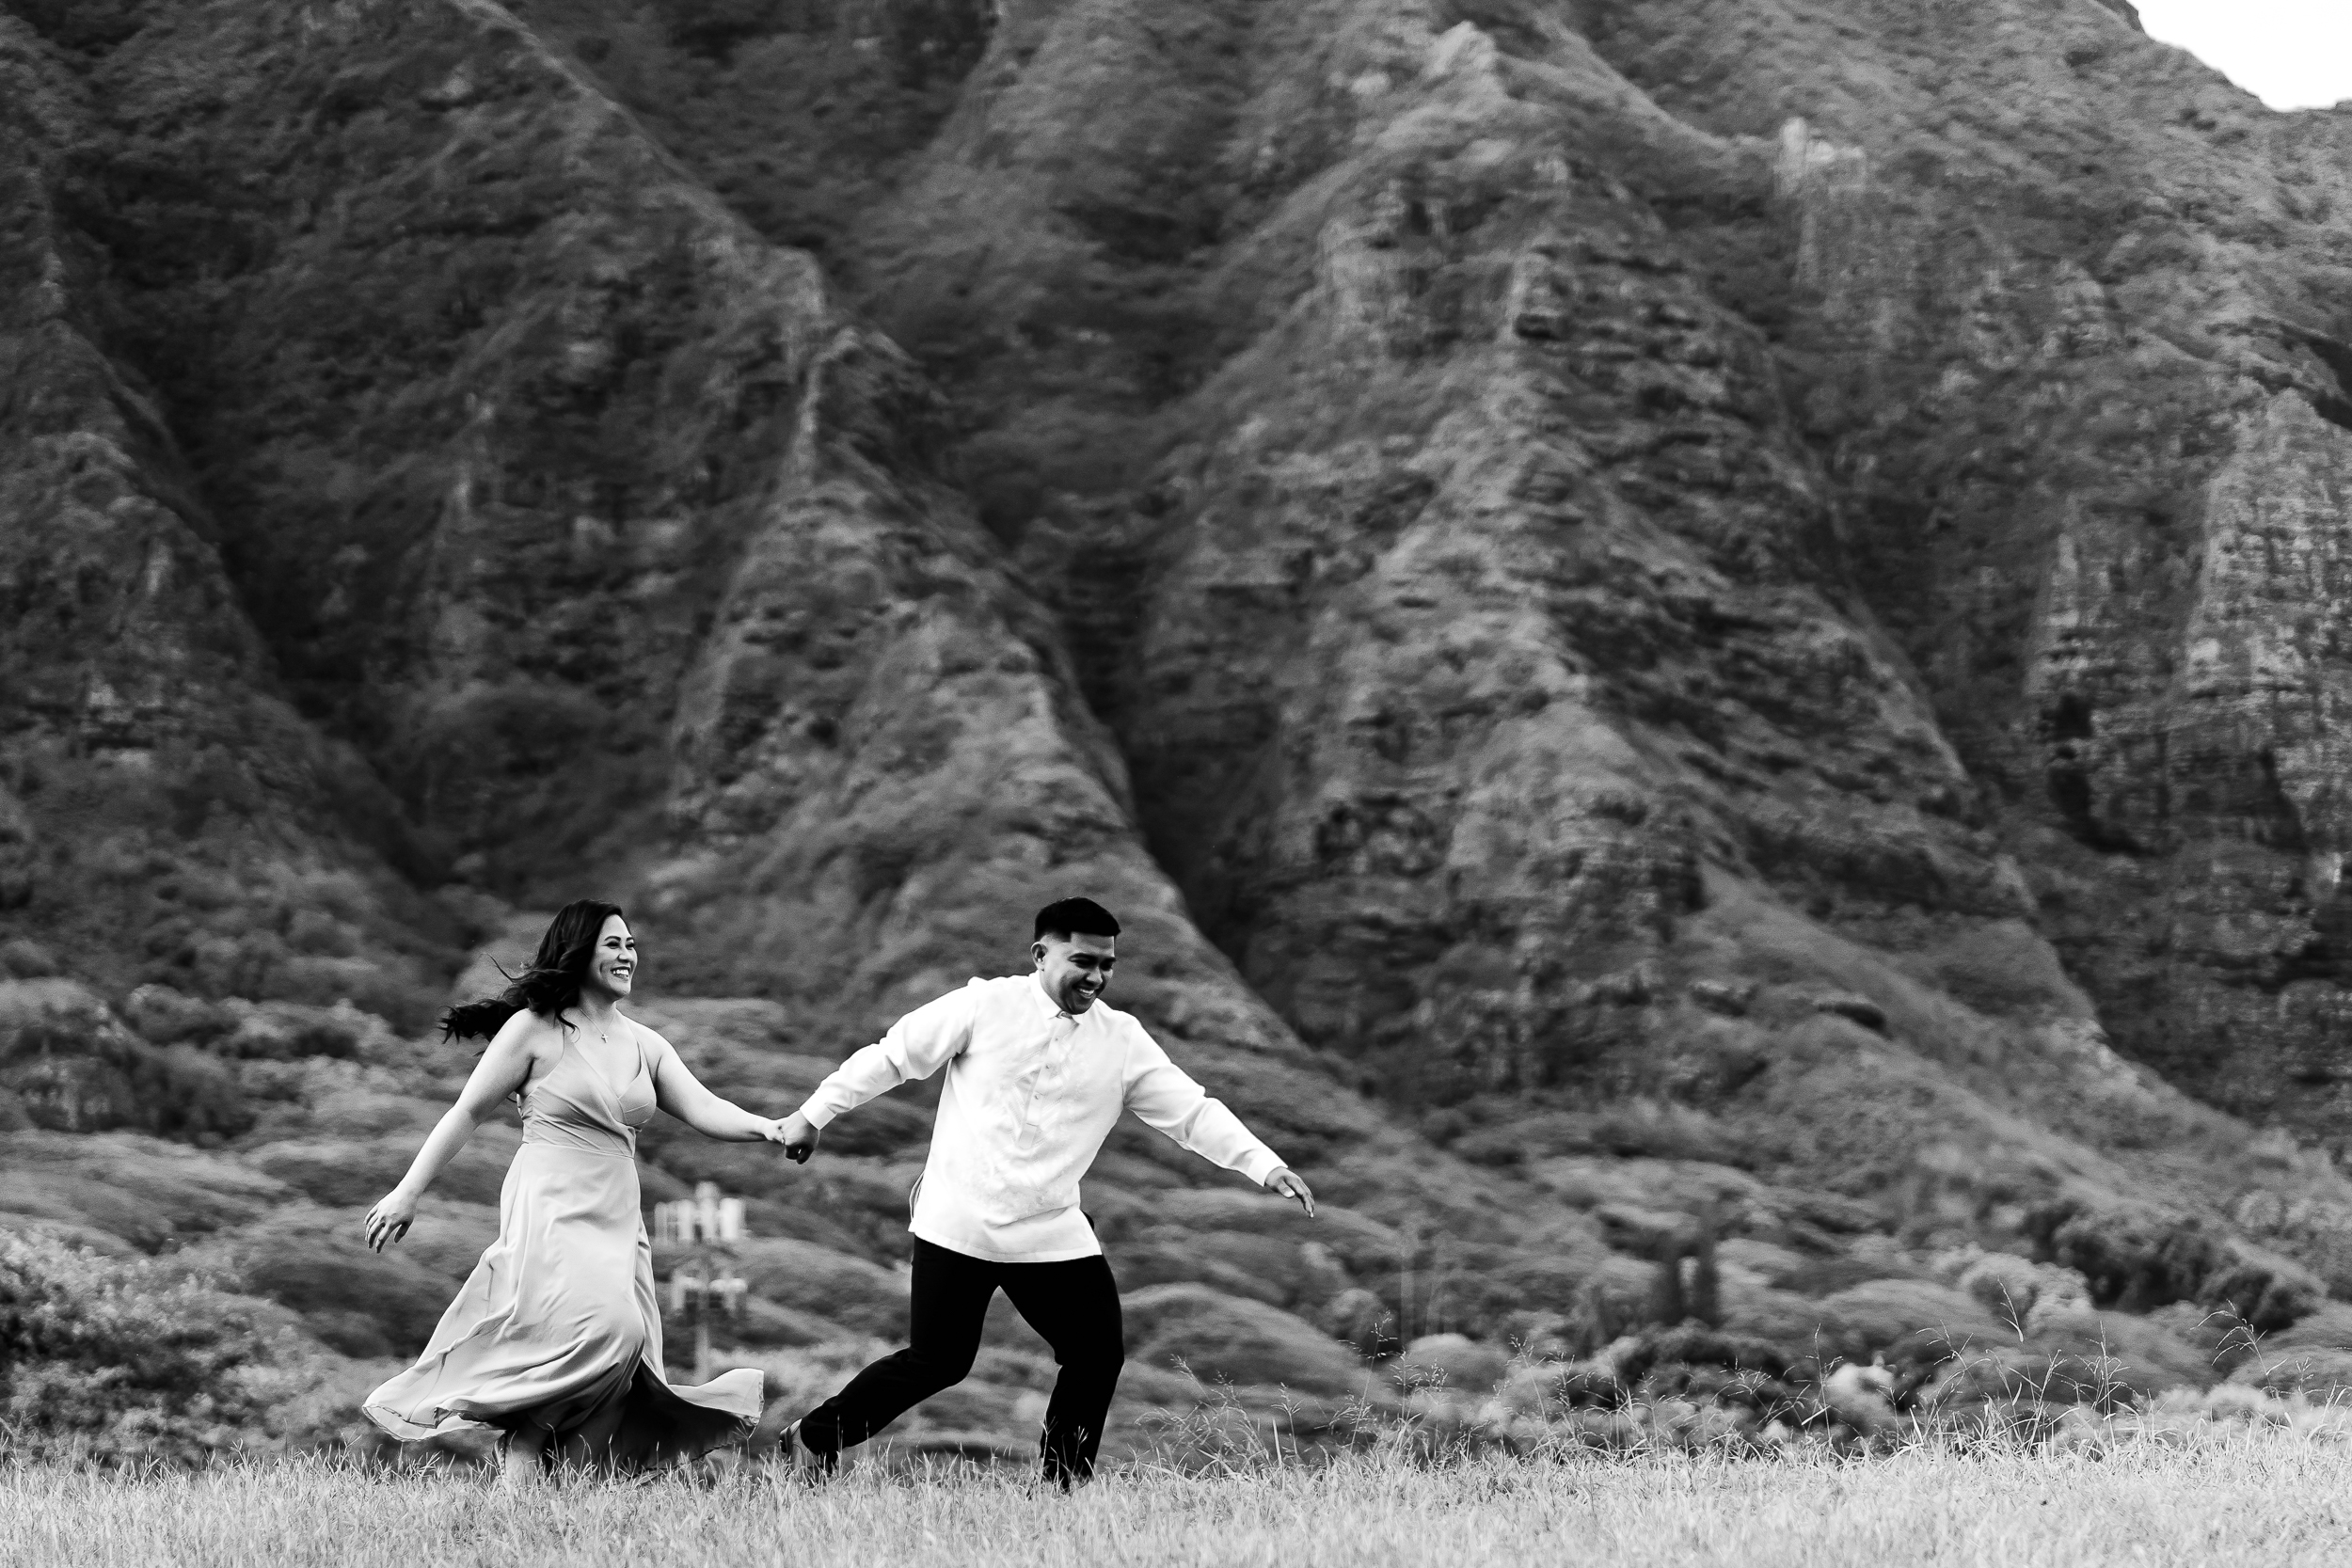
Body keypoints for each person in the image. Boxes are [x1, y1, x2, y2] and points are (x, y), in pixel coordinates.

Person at [771, 895, 1316, 1485]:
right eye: (1083, 961)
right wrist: (813, 1114)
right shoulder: (982, 1005)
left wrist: (1265, 1166)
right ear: (1040, 955)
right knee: (939, 1362)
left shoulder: (1122, 1040)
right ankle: (812, 1439)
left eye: (1108, 965)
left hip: (1049, 1229)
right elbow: (891, 1059)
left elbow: (1191, 1112)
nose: (1097, 977)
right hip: (959, 1220)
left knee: (1097, 1356)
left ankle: (1061, 1488)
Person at [360, 899, 794, 1485]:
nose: (627, 954)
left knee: (627, 1351)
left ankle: (547, 1487)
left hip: (617, 1206)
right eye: (613, 944)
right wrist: (407, 1192)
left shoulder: (646, 1043)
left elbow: (704, 1108)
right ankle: (532, 1449)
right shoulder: (532, 1030)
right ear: (579, 950)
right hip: (552, 1199)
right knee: (611, 1328)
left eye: (632, 944)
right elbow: (465, 1112)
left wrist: (768, 1127)